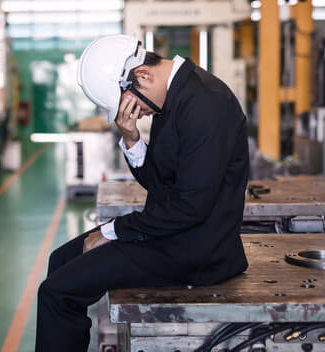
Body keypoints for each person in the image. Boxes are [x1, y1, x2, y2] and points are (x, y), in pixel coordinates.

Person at [35, 34, 249, 352]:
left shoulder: (205, 105)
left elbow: (190, 207)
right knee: (62, 259)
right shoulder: (175, 98)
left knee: (56, 293)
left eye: (131, 105)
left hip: (197, 250)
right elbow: (160, 183)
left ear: (143, 76)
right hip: (173, 235)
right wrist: (132, 139)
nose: (139, 113)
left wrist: (112, 232)